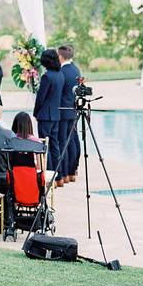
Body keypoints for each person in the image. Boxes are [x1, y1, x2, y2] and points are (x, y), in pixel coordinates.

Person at [33, 49, 64, 180]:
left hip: (45, 115)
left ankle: (49, 173)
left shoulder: (47, 76)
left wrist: (36, 112)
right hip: (56, 114)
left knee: (45, 145)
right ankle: (58, 174)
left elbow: (41, 97)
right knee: (55, 145)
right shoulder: (59, 74)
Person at [58, 44, 82, 184]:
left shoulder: (62, 72)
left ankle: (65, 172)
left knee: (64, 142)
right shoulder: (75, 69)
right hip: (73, 109)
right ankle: (73, 171)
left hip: (63, 111)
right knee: (72, 140)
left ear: (60, 56)